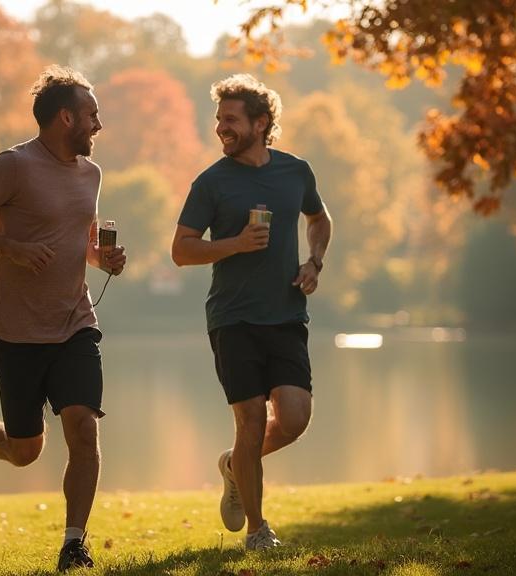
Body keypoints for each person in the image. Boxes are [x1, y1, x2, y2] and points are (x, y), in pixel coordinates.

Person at [0, 65, 126, 572]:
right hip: (17, 330)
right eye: (91, 115)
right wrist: (11, 247)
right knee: (25, 452)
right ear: (65, 118)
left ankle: (74, 545)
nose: (98, 124)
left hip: (75, 323)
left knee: (83, 427)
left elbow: (80, 238)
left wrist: (102, 258)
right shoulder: (13, 166)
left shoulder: (92, 174)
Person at [170, 73, 332, 550]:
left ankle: (234, 465)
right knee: (251, 421)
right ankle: (259, 531)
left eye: (232, 119)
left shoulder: (295, 171)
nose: (222, 127)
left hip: (286, 314)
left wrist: (314, 262)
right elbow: (181, 250)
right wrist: (234, 244)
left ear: (261, 124)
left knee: (295, 419)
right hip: (233, 318)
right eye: (219, 118)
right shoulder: (211, 183)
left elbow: (319, 218)